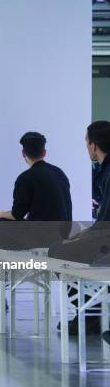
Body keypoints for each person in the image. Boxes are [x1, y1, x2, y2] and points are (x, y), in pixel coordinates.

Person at [0, 132, 72, 310]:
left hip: (41, 237)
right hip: (62, 233)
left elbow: (18, 214)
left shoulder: (25, 178)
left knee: (2, 224)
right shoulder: (59, 173)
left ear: (23, 154)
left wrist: (0, 213)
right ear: (44, 153)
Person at [84, 121, 110, 345]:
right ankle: (91, 311)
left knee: (60, 252)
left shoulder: (107, 173)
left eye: (86, 141)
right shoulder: (102, 171)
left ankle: (91, 312)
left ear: (93, 146)